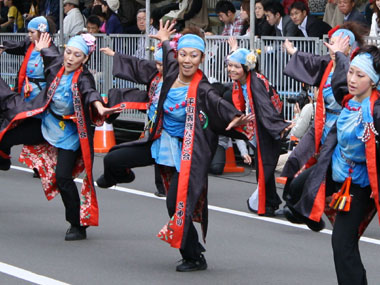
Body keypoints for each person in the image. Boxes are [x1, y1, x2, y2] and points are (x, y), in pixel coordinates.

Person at [97, 20, 253, 271]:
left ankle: (193, 256)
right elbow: (163, 55)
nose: (187, 60)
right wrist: (164, 40)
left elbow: (220, 105)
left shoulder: (203, 89)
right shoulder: (169, 73)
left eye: (194, 55)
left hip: (188, 151)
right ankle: (121, 176)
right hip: (159, 139)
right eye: (183, 54)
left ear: (202, 58)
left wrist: (235, 117)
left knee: (175, 204)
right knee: (113, 159)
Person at [0, 33, 120, 240]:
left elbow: (90, 92)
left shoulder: (83, 78)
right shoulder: (57, 65)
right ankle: (3, 159)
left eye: (77, 55)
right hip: (48, 121)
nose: (71, 58)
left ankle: (76, 225)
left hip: (70, 133)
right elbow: (50, 54)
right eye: (69, 52)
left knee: (63, 178)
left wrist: (99, 104)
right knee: (7, 132)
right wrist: (41, 47)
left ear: (85, 59)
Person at [285, 44, 380, 285]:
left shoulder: (376, 111)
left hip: (359, 183)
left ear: (374, 80)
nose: (352, 79)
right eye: (352, 73)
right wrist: (339, 55)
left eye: (360, 75)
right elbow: (338, 75)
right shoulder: (347, 98)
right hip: (332, 167)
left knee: (342, 243)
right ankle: (313, 217)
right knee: (294, 190)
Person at [281, 23, 365, 230]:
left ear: (348, 45)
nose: (330, 45)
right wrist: (293, 51)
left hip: (341, 132)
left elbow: (345, 92)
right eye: (331, 41)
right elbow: (312, 61)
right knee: (295, 163)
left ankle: (312, 214)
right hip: (322, 126)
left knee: (318, 177)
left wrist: (342, 57)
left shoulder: (353, 70)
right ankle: (306, 210)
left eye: (336, 42)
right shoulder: (329, 64)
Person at [225, 48, 292, 216]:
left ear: (247, 68)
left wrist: (278, 127)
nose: (232, 70)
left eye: (236, 67)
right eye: (230, 66)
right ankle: (270, 202)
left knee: (265, 167)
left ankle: (270, 204)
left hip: (267, 129)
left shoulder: (255, 82)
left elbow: (266, 107)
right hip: (260, 127)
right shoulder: (244, 81)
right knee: (264, 167)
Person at [99, 46, 167, 197]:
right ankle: (120, 175)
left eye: (163, 64)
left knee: (166, 154)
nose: (159, 67)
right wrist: (116, 54)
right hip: (154, 122)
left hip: (171, 129)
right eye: (158, 64)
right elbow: (139, 65)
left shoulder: (181, 81)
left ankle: (164, 186)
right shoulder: (156, 74)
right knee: (115, 157)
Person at [0, 16, 57, 102]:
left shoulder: (51, 51)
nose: (29, 35)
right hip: (25, 89)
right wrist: (4, 46)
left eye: (32, 32)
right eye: (28, 32)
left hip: (40, 93)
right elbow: (19, 46)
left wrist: (43, 51)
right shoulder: (29, 44)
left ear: (42, 33)